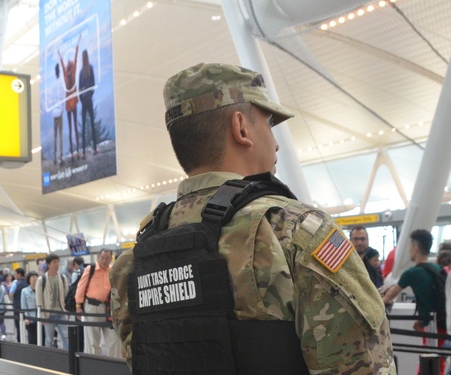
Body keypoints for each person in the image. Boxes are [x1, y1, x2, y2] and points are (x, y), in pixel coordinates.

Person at [110, 63, 395, 374]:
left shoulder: (134, 261)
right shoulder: (293, 232)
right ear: (241, 127)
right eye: (270, 124)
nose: (275, 143)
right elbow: (365, 366)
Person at [383, 229, 446, 374]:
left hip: (433, 326)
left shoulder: (412, 273)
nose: (409, 250)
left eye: (410, 246)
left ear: (416, 248)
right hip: (441, 322)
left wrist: (382, 299)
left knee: (430, 363)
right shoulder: (437, 268)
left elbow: (390, 295)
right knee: (437, 361)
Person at [76, 249, 120, 357]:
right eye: (103, 258)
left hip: (109, 309)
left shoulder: (113, 270)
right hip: (92, 306)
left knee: (114, 339)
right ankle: (94, 365)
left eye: (108, 258)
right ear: (98, 257)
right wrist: (78, 305)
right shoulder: (90, 269)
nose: (105, 260)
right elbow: (80, 287)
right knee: (92, 341)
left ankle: (114, 365)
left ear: (111, 258)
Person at [35, 253, 69, 349]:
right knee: (49, 339)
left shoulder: (62, 278)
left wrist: (67, 310)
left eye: (58, 262)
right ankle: (49, 358)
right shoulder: (42, 279)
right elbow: (39, 299)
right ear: (48, 264)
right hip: (48, 314)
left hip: (61, 312)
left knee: (65, 337)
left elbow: (66, 295)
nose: (57, 264)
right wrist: (41, 315)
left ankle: (67, 356)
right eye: (54, 262)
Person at [58, 34, 81, 161]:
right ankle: (77, 151)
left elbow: (62, 66)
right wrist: (77, 43)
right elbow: (76, 58)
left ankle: (72, 152)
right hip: (74, 104)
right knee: (75, 128)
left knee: (72, 129)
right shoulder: (72, 73)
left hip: (68, 106)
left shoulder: (66, 76)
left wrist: (61, 56)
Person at [79, 49, 97, 159]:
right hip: (89, 100)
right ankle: (95, 148)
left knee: (84, 126)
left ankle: (84, 152)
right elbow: (93, 85)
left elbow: (79, 88)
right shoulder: (91, 68)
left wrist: (82, 99)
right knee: (92, 124)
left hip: (84, 101)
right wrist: (90, 96)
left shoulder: (81, 72)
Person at [21, 271, 40, 345]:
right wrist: (27, 317)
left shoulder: (41, 289)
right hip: (30, 318)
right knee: (32, 339)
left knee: (42, 337)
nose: (35, 279)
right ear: (29, 279)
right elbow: (24, 305)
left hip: (41, 318)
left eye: (36, 277)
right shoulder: (24, 291)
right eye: (33, 277)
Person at [51, 63, 65, 166]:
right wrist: (63, 108)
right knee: (60, 135)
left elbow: (52, 99)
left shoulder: (53, 84)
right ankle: (61, 157)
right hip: (60, 112)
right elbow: (63, 97)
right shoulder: (61, 83)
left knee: (55, 135)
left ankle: (54, 158)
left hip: (54, 113)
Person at [9, 268, 28, 343]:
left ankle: (20, 341)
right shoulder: (28, 282)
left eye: (15, 273)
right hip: (28, 307)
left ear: (19, 274)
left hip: (17, 307)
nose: (14, 275)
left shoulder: (15, 283)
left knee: (19, 325)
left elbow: (11, 294)